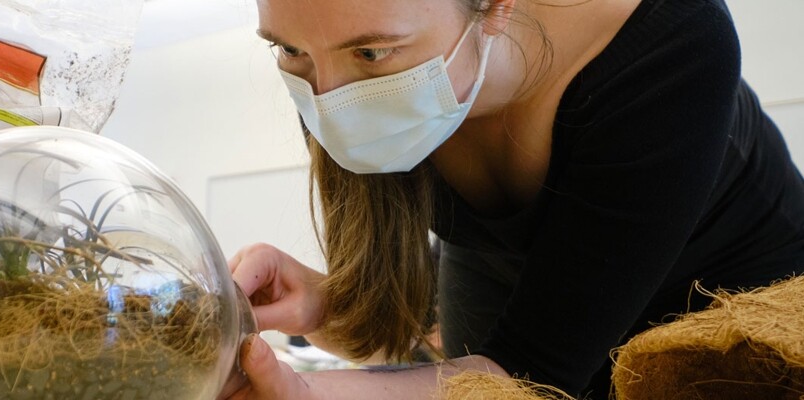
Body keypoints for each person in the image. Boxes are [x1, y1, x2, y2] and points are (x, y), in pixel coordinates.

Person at [224, 0, 804, 398]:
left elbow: (535, 374)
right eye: (289, 50)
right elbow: (497, 363)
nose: (330, 99)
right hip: (511, 293)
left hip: (732, 295)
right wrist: (330, 303)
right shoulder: (329, 60)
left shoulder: (674, 44)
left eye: (373, 54)